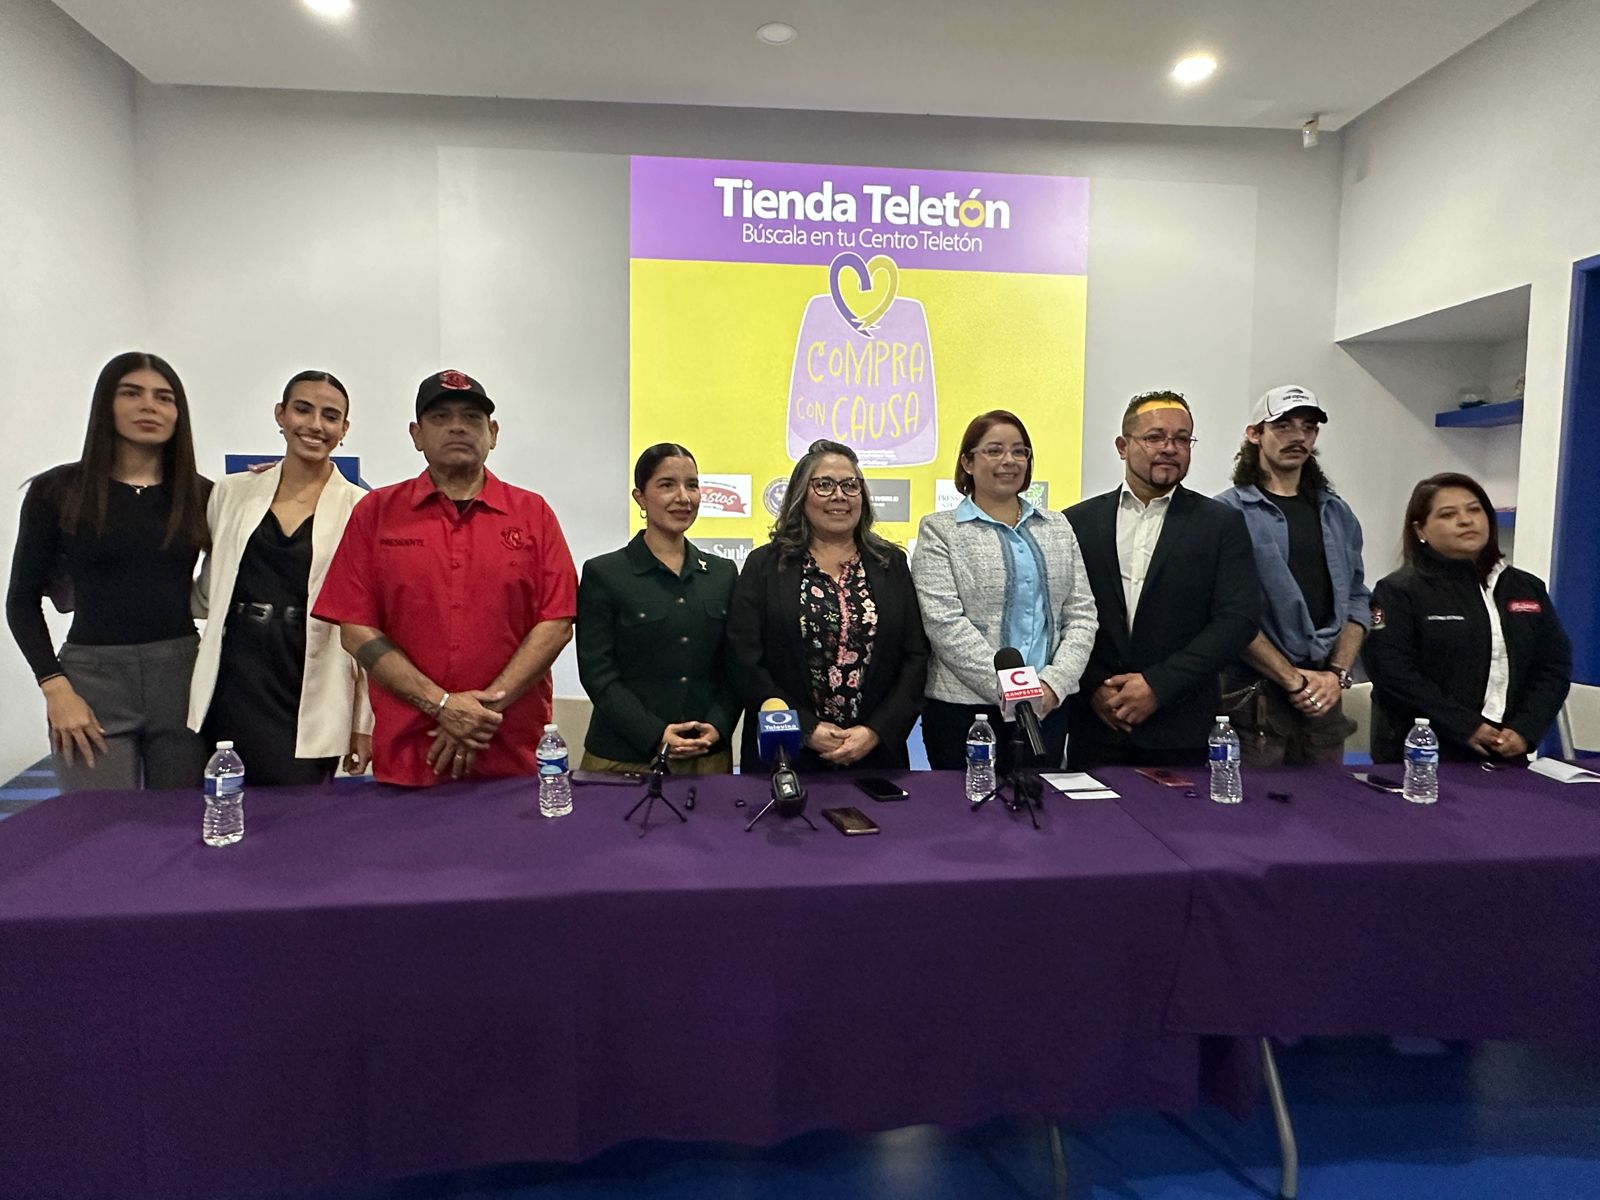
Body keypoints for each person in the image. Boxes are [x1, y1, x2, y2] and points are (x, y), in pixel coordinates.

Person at [312, 370, 577, 786]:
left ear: (492, 433)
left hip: (512, 753)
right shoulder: (376, 513)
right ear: (416, 435)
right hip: (409, 755)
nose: (457, 426)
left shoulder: (534, 514)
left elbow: (557, 623)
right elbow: (356, 630)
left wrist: (480, 712)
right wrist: (441, 704)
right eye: (440, 417)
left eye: (471, 417)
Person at [6, 352, 212, 791]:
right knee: (96, 821)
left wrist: (268, 487)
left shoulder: (202, 495)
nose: (149, 406)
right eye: (131, 393)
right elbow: (21, 602)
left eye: (164, 398)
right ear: (106, 404)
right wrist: (55, 688)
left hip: (181, 678)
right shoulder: (57, 491)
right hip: (92, 681)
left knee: (178, 821)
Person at [188, 371, 373, 785]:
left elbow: (366, 620)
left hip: (309, 672)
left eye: (330, 416)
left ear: (344, 429)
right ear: (281, 414)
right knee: (226, 797)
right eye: (303, 410)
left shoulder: (361, 507)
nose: (315, 425)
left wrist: (364, 722)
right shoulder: (231, 492)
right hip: (238, 671)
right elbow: (210, 586)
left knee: (300, 805)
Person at [1064, 390, 1259, 770]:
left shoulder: (1221, 524)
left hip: (1181, 728)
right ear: (1123, 446)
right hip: (1097, 726)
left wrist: (1158, 686)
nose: (1170, 448)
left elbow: (1238, 621)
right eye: (1155, 437)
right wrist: (1094, 686)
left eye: (1182, 439)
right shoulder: (1076, 523)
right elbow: (1058, 616)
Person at [911, 410, 1097, 773]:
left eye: (1019, 451)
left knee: (1041, 805)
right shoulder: (940, 530)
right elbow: (944, 624)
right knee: (966, 807)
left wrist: (1054, 684)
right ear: (967, 462)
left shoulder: (1057, 526)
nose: (1008, 460)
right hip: (965, 711)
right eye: (994, 450)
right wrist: (1015, 691)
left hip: (1048, 707)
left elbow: (1081, 615)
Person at [727, 439, 929, 772]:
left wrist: (876, 731)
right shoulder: (765, 565)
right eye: (823, 485)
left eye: (850, 485)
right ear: (800, 495)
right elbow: (743, 661)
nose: (839, 495)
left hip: (874, 755)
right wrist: (806, 728)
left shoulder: (890, 563)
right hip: (786, 753)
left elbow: (915, 657)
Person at [1366, 472, 1570, 763]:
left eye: (1474, 510)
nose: (1465, 520)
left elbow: (1553, 666)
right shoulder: (1396, 591)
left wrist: (1525, 730)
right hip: (1421, 755)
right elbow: (1392, 672)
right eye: (1448, 514)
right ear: (1420, 530)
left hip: (1507, 753)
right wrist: (1466, 726)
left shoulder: (1527, 588)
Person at [1215, 385, 1370, 766]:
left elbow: (1357, 598)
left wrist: (1335, 674)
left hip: (1324, 697)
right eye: (1283, 426)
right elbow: (1227, 614)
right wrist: (1292, 679)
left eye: (1308, 427)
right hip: (1252, 699)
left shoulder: (1337, 513)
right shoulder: (1225, 515)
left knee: (1327, 800)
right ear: (1255, 434)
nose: (1298, 436)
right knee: (1250, 801)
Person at [576, 443, 738, 774]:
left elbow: (736, 665)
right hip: (623, 756)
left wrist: (719, 725)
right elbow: (597, 673)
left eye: (692, 485)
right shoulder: (605, 573)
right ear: (640, 497)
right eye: (667, 485)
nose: (683, 497)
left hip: (704, 754)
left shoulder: (722, 574)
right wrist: (655, 734)